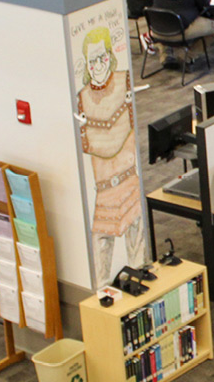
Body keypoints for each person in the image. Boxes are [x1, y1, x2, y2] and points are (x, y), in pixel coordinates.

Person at [75, 25, 147, 285]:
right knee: (101, 243)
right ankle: (101, 296)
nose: (98, 65)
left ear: (110, 55)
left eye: (102, 57)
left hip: (127, 178)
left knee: (137, 236)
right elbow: (97, 145)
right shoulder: (83, 98)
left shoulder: (123, 83)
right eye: (92, 60)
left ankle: (140, 285)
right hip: (105, 187)